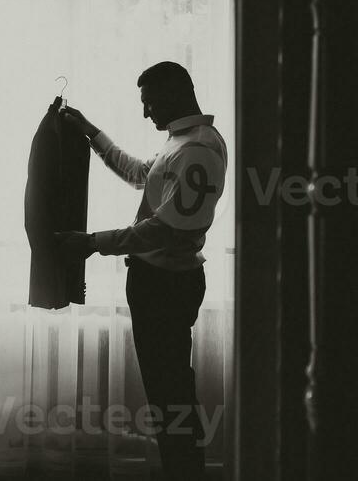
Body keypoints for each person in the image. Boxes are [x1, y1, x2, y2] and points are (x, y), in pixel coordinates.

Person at [55, 61, 227, 481]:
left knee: (171, 397)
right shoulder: (182, 142)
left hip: (165, 287)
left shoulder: (196, 150)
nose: (146, 113)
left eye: (150, 103)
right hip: (160, 283)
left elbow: (165, 231)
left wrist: (93, 243)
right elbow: (137, 173)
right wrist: (90, 131)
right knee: (169, 394)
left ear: (175, 94)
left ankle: (185, 473)